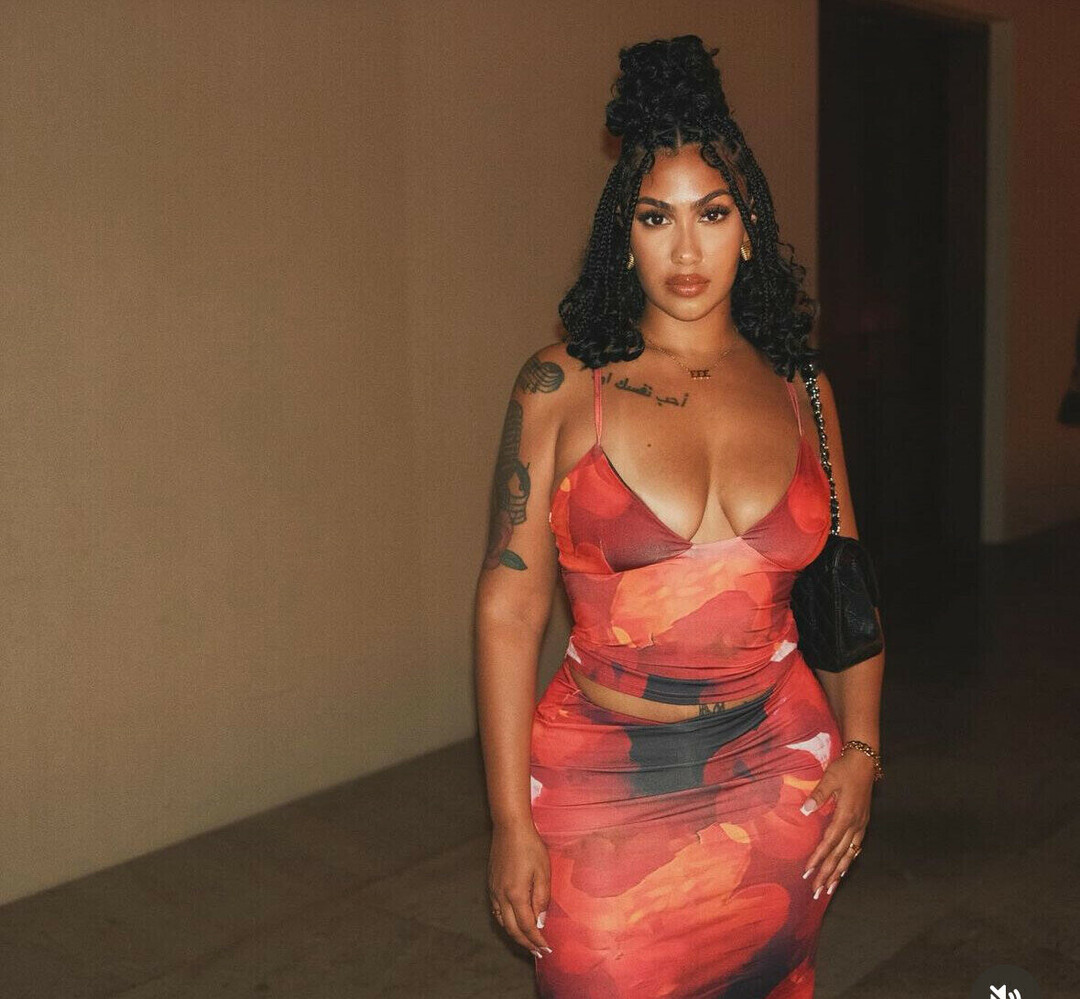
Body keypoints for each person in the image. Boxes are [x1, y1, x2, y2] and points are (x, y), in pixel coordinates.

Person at [473, 35, 885, 998]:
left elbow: (847, 587)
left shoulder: (802, 389)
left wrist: (863, 750)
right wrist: (509, 819)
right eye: (658, 217)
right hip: (599, 797)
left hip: (782, 777)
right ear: (625, 233)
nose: (688, 251)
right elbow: (509, 610)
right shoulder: (561, 384)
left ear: (752, 227)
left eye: (714, 213)